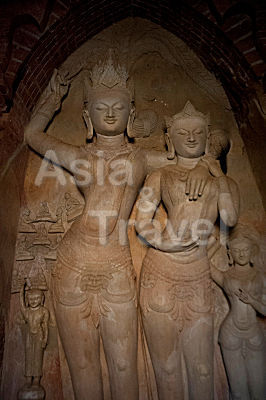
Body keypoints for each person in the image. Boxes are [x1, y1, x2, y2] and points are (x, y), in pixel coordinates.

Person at [24, 54, 212, 400]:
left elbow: (201, 147)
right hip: (73, 266)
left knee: (125, 366)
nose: (110, 114)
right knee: (83, 370)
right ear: (87, 117)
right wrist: (51, 99)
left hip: (116, 268)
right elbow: (32, 134)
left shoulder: (141, 157)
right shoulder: (78, 156)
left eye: (118, 107)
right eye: (101, 108)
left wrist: (203, 165)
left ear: (131, 116)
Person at [135, 101, 239, 400]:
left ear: (207, 137)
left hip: (197, 273)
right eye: (182, 133)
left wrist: (214, 175)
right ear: (170, 140)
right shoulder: (162, 175)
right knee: (167, 368)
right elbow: (142, 220)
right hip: (161, 271)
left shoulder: (221, 181)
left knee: (203, 368)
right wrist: (166, 242)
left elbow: (230, 218)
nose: (191, 138)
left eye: (198, 132)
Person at [211, 224, 266, 400]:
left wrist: (253, 301)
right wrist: (215, 242)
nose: (241, 254)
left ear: (252, 252)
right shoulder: (226, 276)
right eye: (236, 250)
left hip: (253, 333)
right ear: (230, 254)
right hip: (230, 333)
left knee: (259, 389)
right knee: (238, 391)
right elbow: (205, 264)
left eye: (245, 250)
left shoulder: (260, 276)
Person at [19, 281, 49, 388]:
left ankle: (36, 379)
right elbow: (21, 304)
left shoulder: (43, 311)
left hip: (39, 335)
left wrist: (45, 338)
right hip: (29, 335)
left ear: (41, 299)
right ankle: (28, 378)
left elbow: (45, 325)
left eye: (36, 299)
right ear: (28, 300)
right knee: (29, 356)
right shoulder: (27, 312)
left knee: (37, 356)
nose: (33, 301)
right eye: (31, 299)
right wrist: (21, 289)